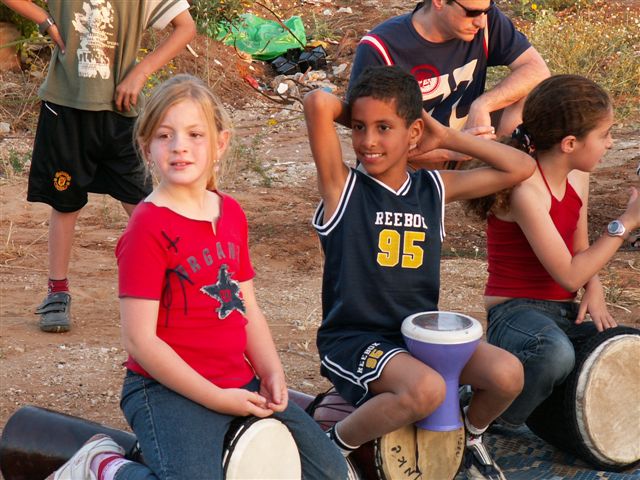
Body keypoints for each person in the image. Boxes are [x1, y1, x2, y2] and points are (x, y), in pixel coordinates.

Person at [46, 75, 348, 480]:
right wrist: (217, 399)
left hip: (236, 379)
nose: (179, 146)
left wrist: (271, 370)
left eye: (194, 134)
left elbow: (246, 307)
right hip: (163, 391)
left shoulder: (231, 213)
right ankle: (104, 466)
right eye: (164, 135)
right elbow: (140, 341)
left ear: (220, 144)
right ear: (146, 147)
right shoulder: (147, 227)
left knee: (330, 472)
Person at [303, 65, 536, 480]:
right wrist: (382, 116)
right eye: (359, 127)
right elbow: (318, 102)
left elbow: (520, 167)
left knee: (507, 375)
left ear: (414, 132)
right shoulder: (343, 188)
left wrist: (445, 136)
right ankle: (332, 448)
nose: (368, 141)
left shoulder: (432, 188)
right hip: (357, 341)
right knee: (427, 390)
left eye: (384, 128)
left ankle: (469, 435)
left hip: (419, 339)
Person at [1, 0, 196, 333]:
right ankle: (57, 292)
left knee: (143, 205)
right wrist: (45, 19)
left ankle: (179, 287)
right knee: (65, 204)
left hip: (120, 109)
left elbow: (186, 27)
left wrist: (141, 72)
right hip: (65, 107)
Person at [465, 74, 640, 428]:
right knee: (554, 354)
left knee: (627, 347)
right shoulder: (525, 190)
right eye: (605, 135)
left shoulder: (577, 174)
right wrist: (627, 222)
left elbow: (579, 249)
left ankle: (536, 407)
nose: (610, 143)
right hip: (515, 315)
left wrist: (594, 286)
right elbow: (569, 274)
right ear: (570, 143)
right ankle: (481, 414)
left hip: (563, 314)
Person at [349, 0, 549, 168]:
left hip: (466, 141)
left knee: (532, 96)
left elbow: (537, 69)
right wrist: (454, 148)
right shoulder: (381, 47)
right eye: (472, 13)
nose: (480, 22)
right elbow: (371, 138)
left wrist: (482, 105)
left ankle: (502, 174)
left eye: (487, 10)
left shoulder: (486, 20)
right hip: (412, 159)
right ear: (439, 2)